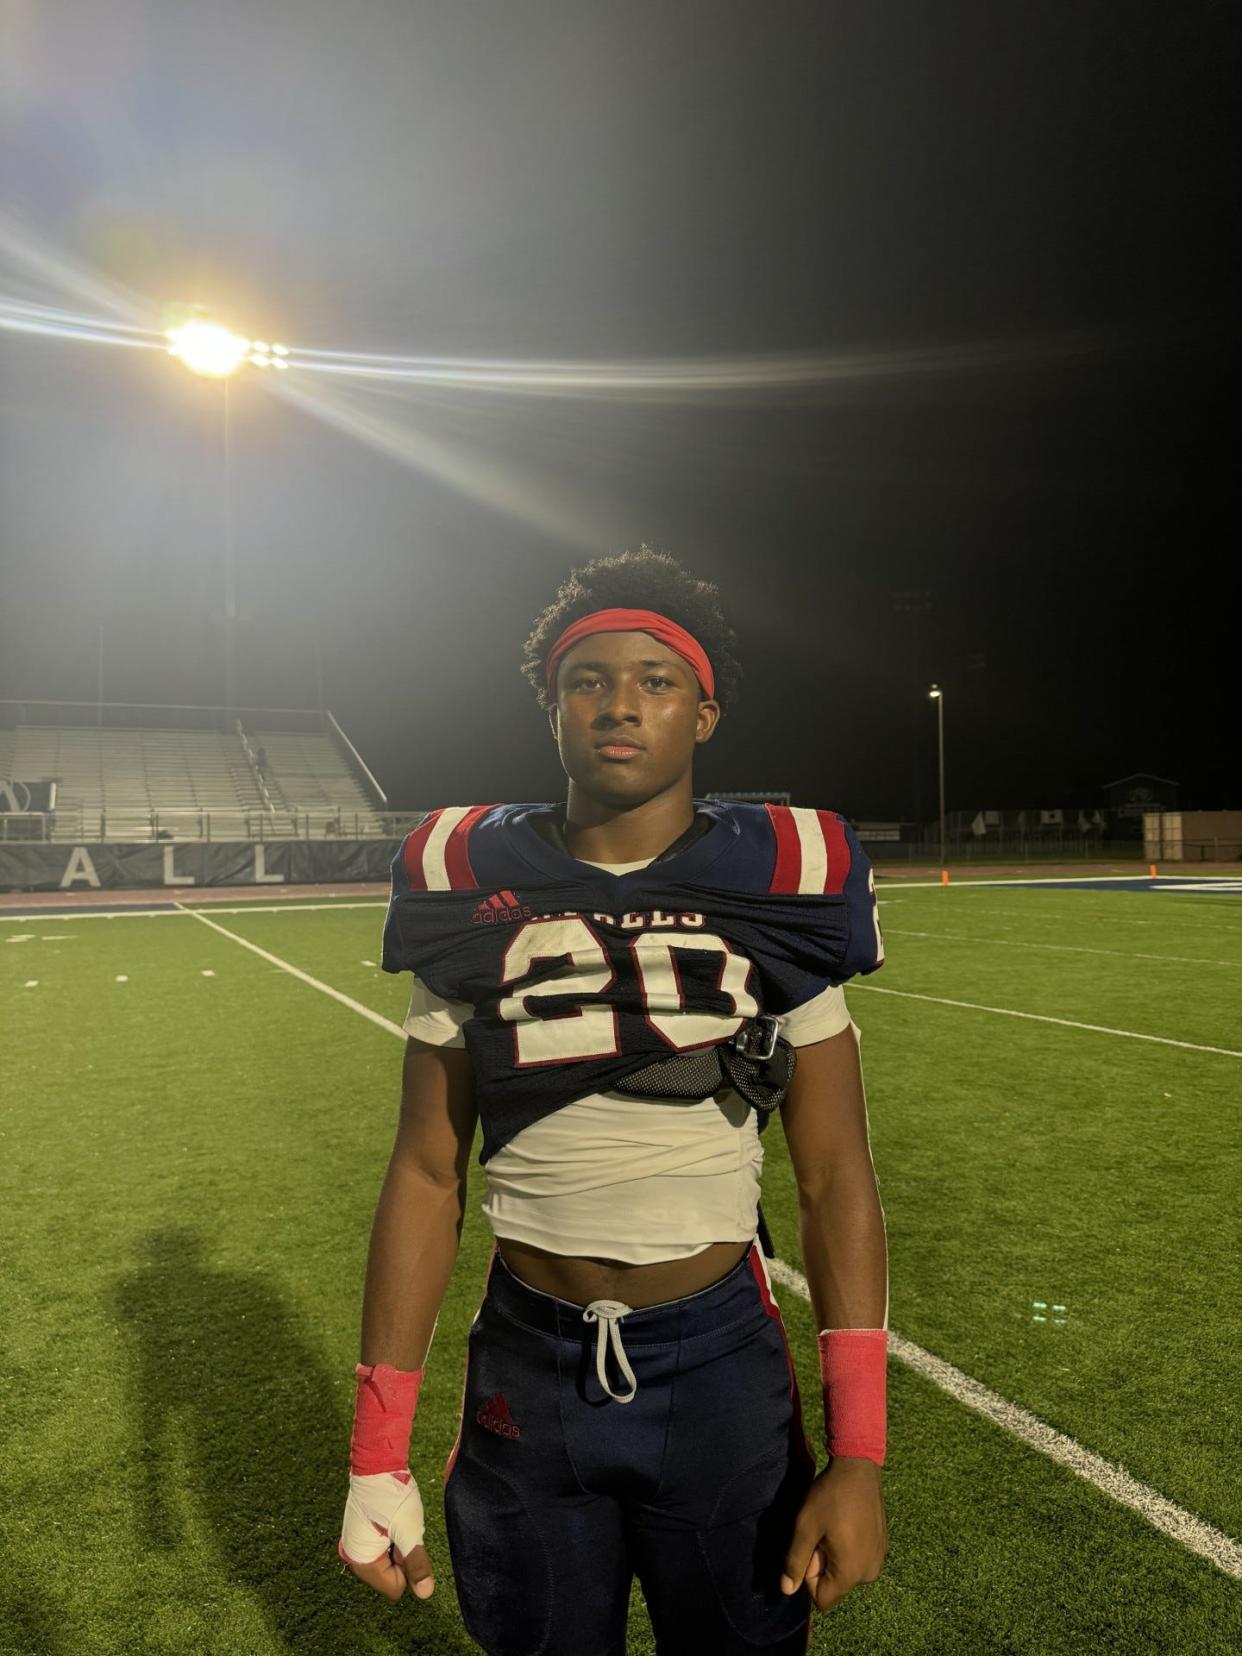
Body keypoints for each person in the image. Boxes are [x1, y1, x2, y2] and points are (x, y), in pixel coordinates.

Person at [339, 548, 889, 1655]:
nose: (620, 703)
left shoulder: (784, 881)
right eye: (588, 680)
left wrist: (861, 1455)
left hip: (721, 1359)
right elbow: (426, 1169)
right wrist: (374, 1451)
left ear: (706, 711)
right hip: (527, 1366)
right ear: (552, 708)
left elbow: (835, 1179)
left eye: (655, 679)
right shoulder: (467, 884)